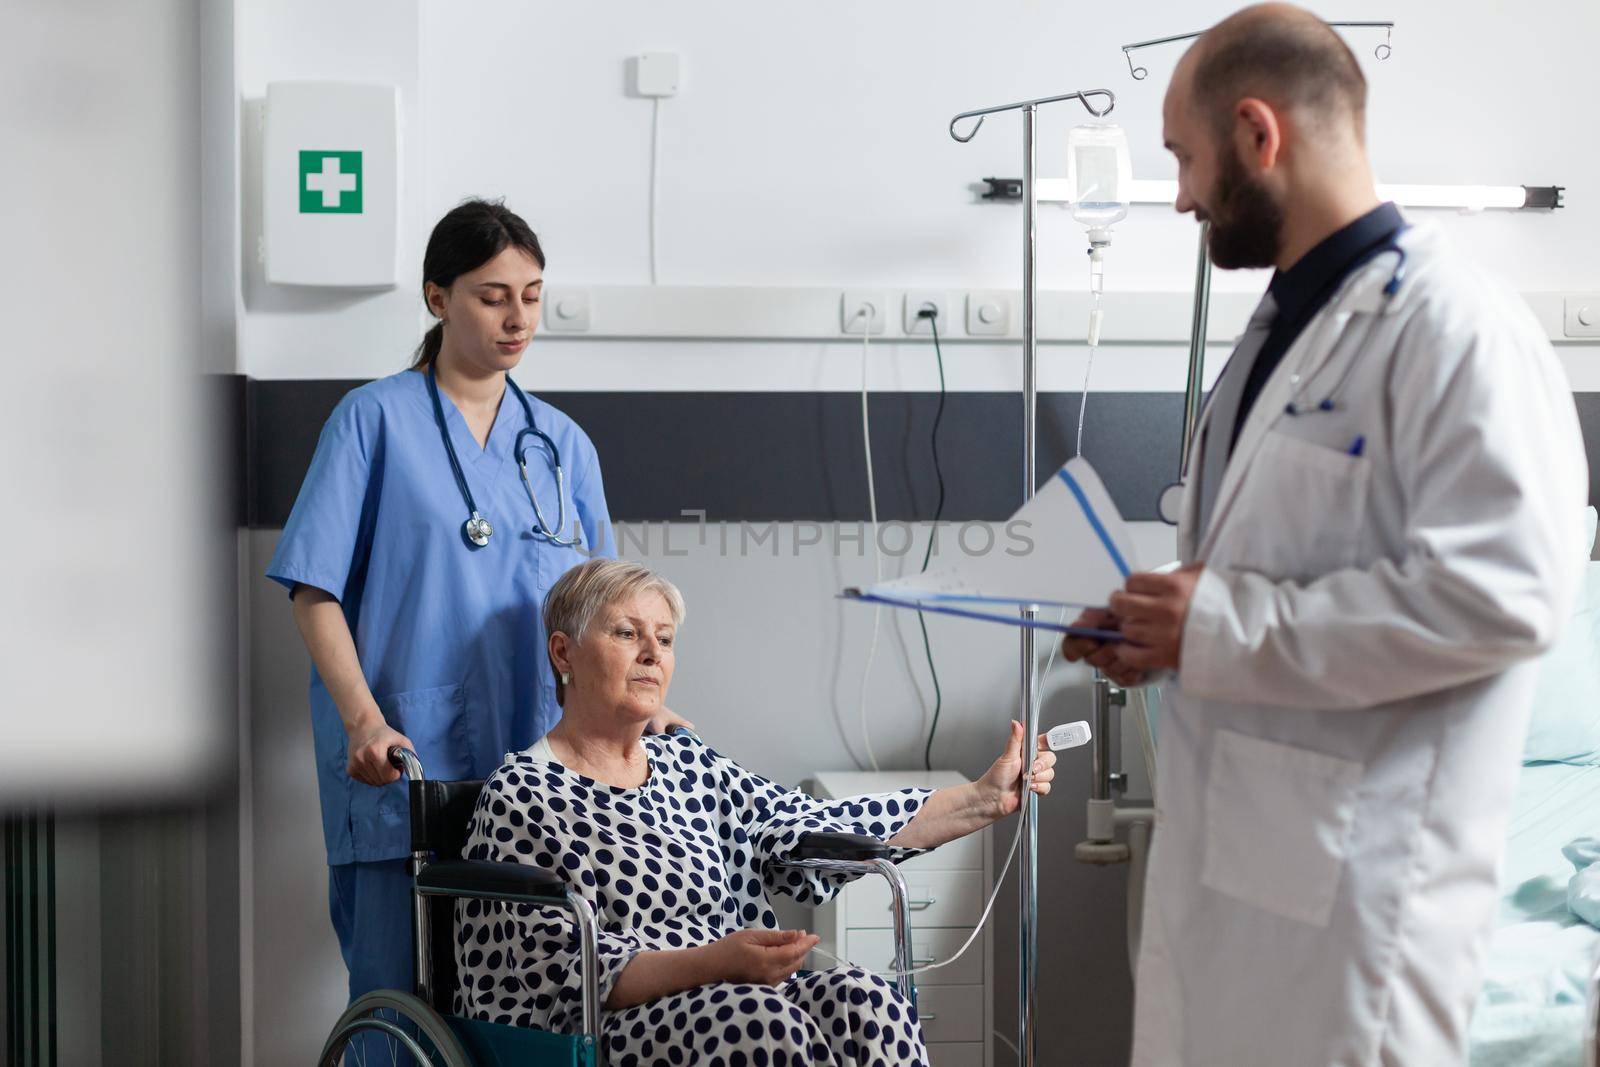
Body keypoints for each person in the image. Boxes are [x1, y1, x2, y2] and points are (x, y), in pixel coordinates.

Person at [1061, 6, 1588, 1064]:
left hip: (1361, 893)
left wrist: (1216, 626)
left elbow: (1506, 594)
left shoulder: (1454, 328)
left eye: (1184, 157)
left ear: (1258, 135)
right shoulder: (1276, 334)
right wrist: (1158, 625)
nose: (1178, 196)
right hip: (1239, 873)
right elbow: (1280, 565)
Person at [266, 199, 690, 1009]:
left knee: (533, 1002)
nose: (517, 317)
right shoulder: (372, 421)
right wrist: (361, 719)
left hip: (543, 776)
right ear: (438, 298)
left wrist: (645, 705)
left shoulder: (563, 445)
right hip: (405, 763)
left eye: (531, 295)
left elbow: (607, 609)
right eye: (493, 295)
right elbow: (315, 590)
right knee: (401, 1001)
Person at [456, 558, 1058, 1067]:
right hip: (602, 1029)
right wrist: (716, 962)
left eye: (664, 640)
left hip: (735, 998)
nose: (651, 655)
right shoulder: (524, 795)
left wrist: (983, 798)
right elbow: (561, 974)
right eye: (625, 634)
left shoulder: (687, 766)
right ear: (564, 652)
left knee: (869, 1002)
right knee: (759, 1016)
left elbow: (808, 829)